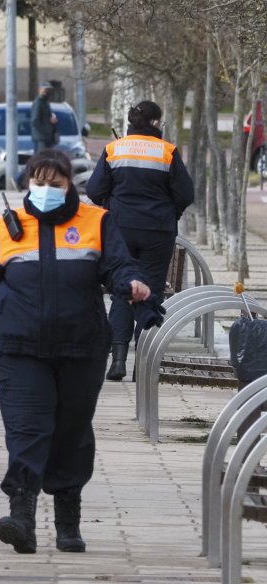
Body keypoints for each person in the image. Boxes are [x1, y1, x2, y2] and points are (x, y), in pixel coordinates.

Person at [0, 149, 149, 555]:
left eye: (54, 184)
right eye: (38, 183)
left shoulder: (96, 221)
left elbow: (118, 265)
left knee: (71, 432)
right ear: (27, 184)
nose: (45, 191)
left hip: (81, 347)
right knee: (28, 429)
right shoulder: (9, 228)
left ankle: (67, 520)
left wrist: (132, 283)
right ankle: (21, 516)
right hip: (18, 347)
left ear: (69, 185)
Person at [86, 100, 195, 381]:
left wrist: (113, 204)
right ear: (157, 123)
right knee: (152, 291)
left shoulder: (115, 149)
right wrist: (171, 212)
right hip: (158, 231)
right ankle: (143, 367)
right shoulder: (167, 151)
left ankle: (118, 359)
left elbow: (94, 190)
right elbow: (185, 194)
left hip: (120, 230)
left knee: (123, 288)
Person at [31, 82, 58, 152]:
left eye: (49, 90)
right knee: (41, 159)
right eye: (45, 90)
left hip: (47, 138)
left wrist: (52, 120)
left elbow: (47, 117)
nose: (47, 92)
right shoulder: (38, 103)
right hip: (41, 139)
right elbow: (35, 121)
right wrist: (45, 131)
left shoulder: (45, 102)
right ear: (40, 90)